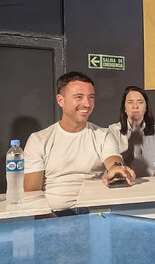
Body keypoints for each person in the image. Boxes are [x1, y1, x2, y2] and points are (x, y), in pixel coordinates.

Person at [24, 71, 136, 213]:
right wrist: (50, 222)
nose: (87, 104)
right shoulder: (39, 140)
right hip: (53, 216)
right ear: (61, 100)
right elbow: (32, 193)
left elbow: (114, 160)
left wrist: (117, 168)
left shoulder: (103, 134)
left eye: (91, 97)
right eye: (79, 97)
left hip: (96, 214)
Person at [108, 86, 155, 177]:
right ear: (124, 108)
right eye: (130, 102)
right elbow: (111, 163)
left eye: (140, 102)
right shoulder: (113, 130)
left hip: (150, 184)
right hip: (123, 182)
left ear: (146, 107)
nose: (135, 106)